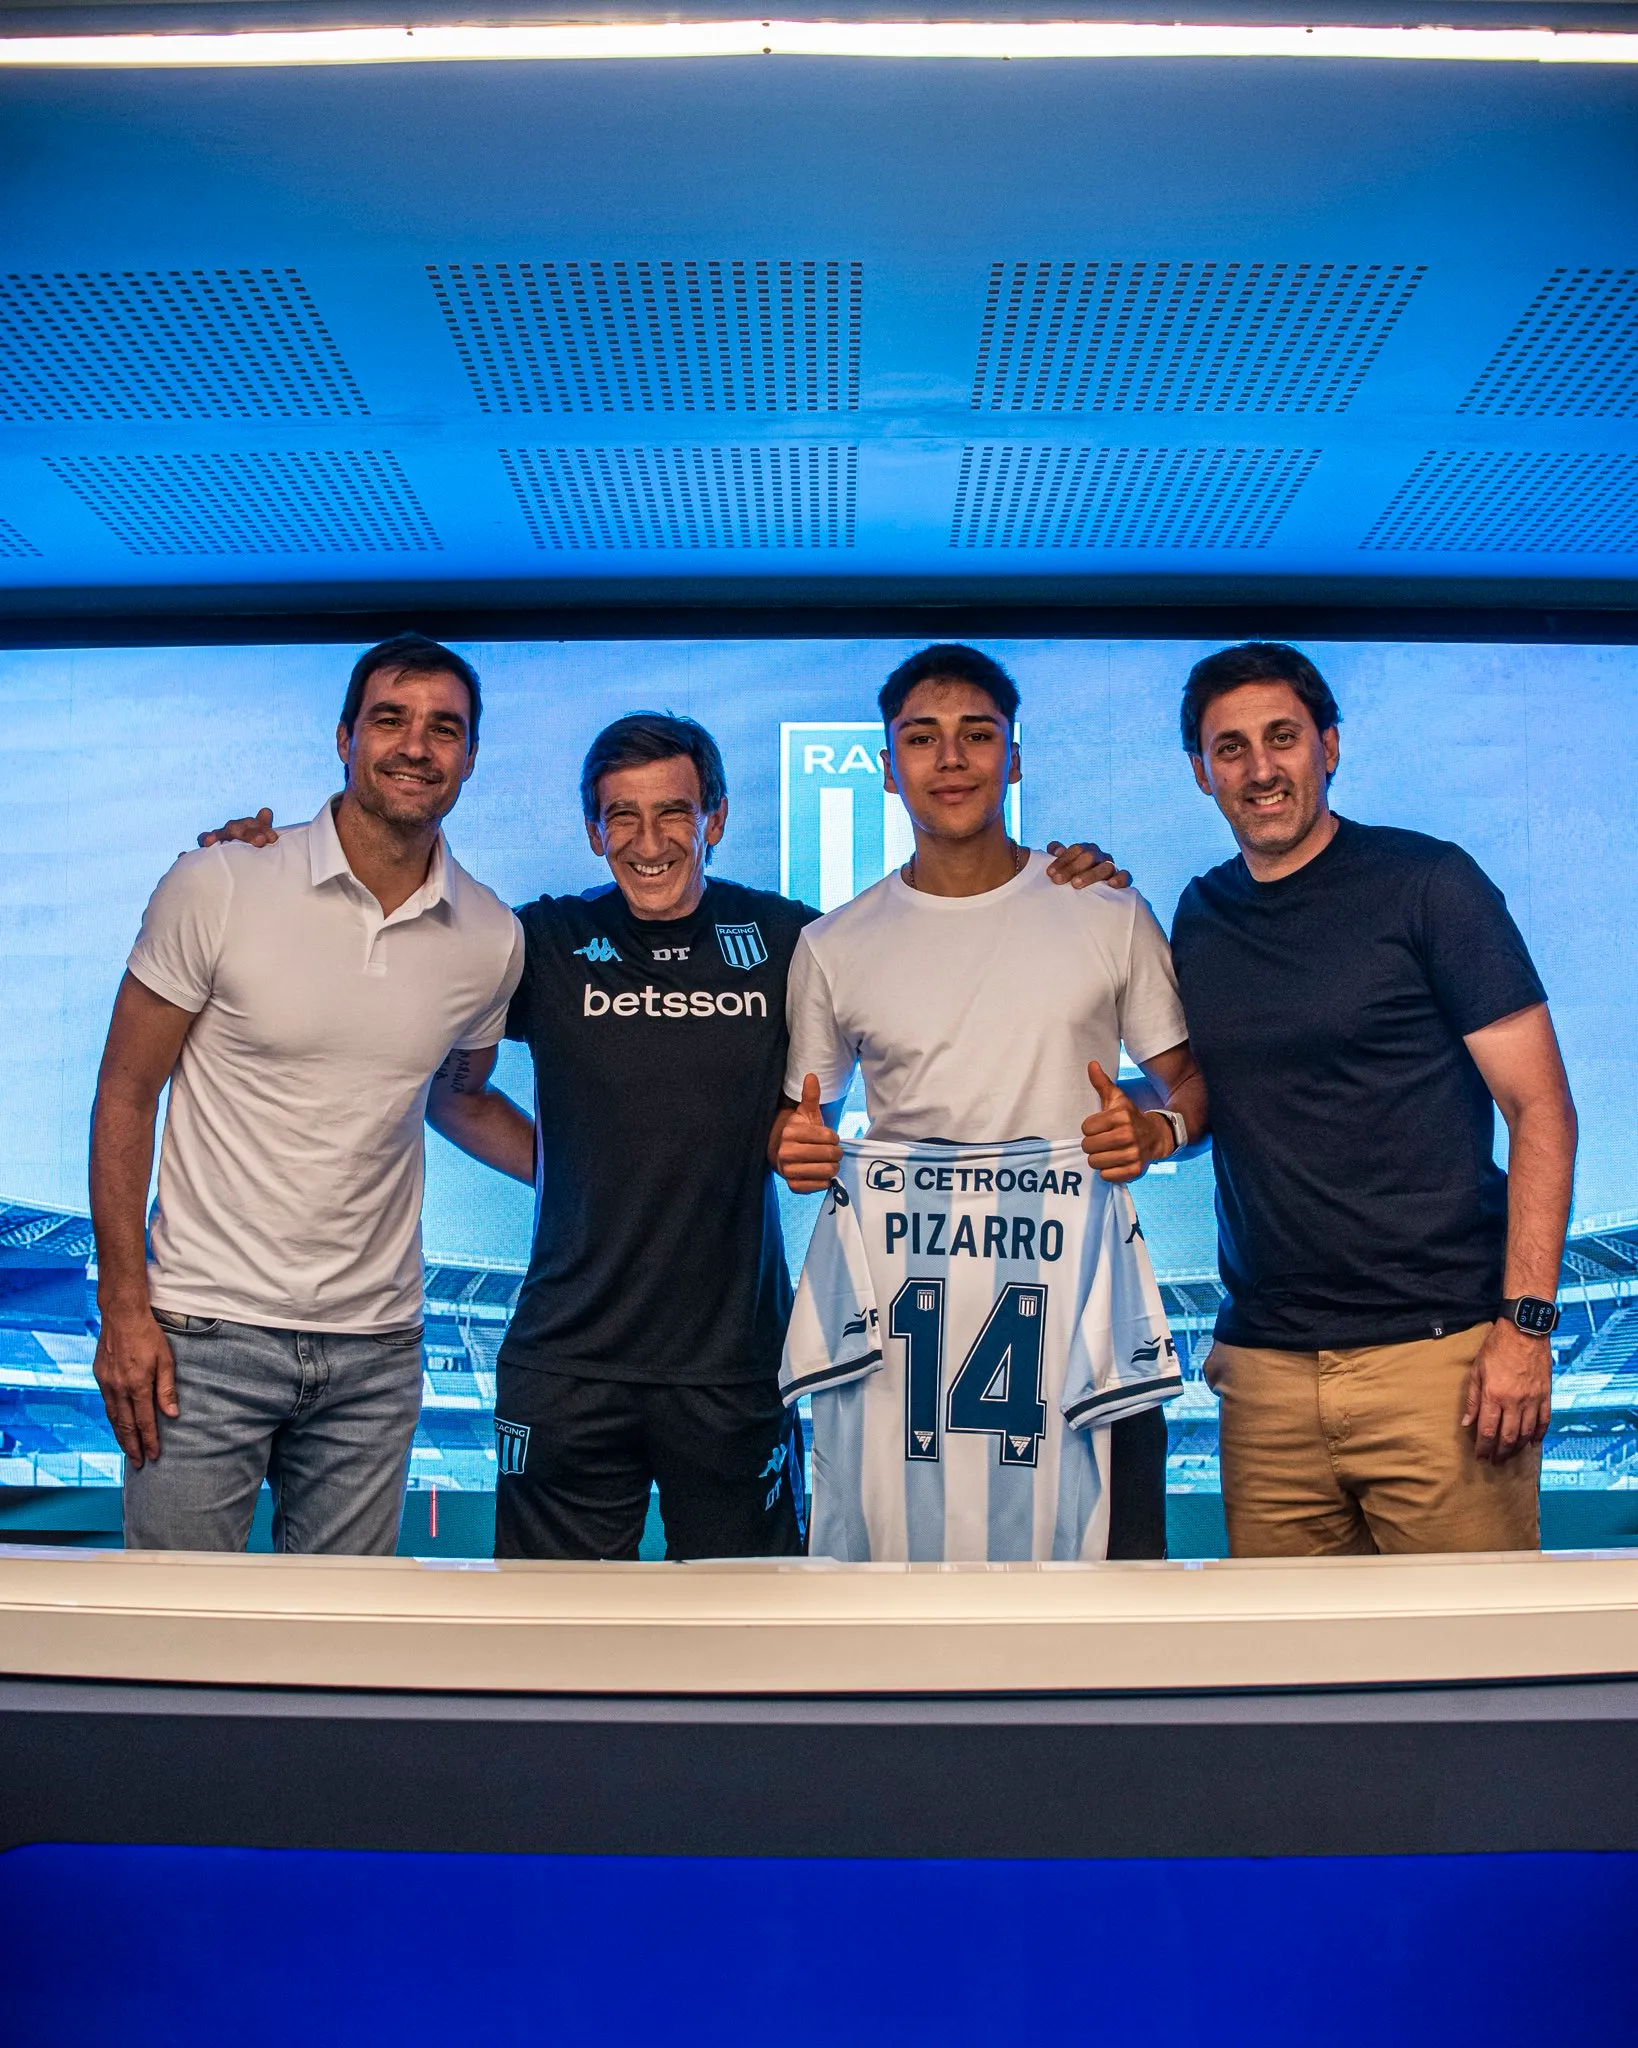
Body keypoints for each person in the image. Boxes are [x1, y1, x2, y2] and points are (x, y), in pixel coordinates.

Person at [208, 699, 1121, 1562]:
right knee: (551, 1637)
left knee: (750, 1637)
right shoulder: (542, 941)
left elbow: (940, 957)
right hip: (567, 1364)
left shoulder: (790, 940)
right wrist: (263, 870)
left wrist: (1053, 882)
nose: (649, 843)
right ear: (593, 831)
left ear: (714, 819)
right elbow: (453, 1088)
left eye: (674, 813)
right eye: (623, 818)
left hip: (734, 1368)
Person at [91, 634, 523, 1554]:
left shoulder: (490, 937)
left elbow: (458, 1097)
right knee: (178, 1625)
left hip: (377, 1350)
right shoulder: (220, 881)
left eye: (445, 728)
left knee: (339, 1635)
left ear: (472, 757)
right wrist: (124, 1305)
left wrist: (609, 1176)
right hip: (203, 1333)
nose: (417, 746)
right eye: (390, 720)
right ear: (344, 737)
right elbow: (126, 1091)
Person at [773, 643, 1206, 1559]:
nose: (951, 758)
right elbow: (803, 1125)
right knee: (891, 1597)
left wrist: (1159, 1131)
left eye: (977, 735)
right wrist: (797, 1150)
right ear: (887, 768)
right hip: (910, 1335)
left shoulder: (1106, 910)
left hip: (1081, 1319)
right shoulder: (834, 944)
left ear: (1014, 758)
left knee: (1115, 1603)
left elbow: (1195, 1090)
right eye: (921, 738)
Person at [1171, 641, 1578, 1556]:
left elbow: (1541, 1109)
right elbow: (1212, 1094)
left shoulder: (1429, 884)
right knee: (1288, 1652)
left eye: (1283, 737)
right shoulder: (1200, 914)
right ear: (1202, 772)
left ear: (1330, 745)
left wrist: (1525, 1328)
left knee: (1471, 1647)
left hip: (1441, 1365)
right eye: (1231, 748)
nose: (1260, 768)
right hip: (1265, 1378)